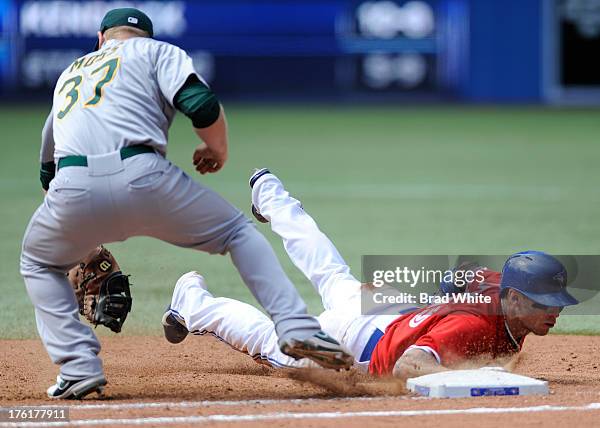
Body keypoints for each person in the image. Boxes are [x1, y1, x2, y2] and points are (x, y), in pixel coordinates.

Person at [20, 8, 351, 400]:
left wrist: (80, 243)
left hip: (70, 187)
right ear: (144, 36)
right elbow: (201, 103)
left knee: (39, 262)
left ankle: (77, 367)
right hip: (144, 176)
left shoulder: (70, 74)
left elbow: (47, 169)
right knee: (237, 233)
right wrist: (216, 149)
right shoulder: (156, 52)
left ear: (100, 37)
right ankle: (296, 327)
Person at [163, 168, 579, 377]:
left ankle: (270, 195)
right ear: (515, 298)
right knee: (271, 343)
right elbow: (406, 368)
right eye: (546, 302)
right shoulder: (470, 328)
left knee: (329, 271)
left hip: (385, 311)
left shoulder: (496, 283)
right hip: (350, 344)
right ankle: (194, 303)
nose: (555, 311)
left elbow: (456, 277)